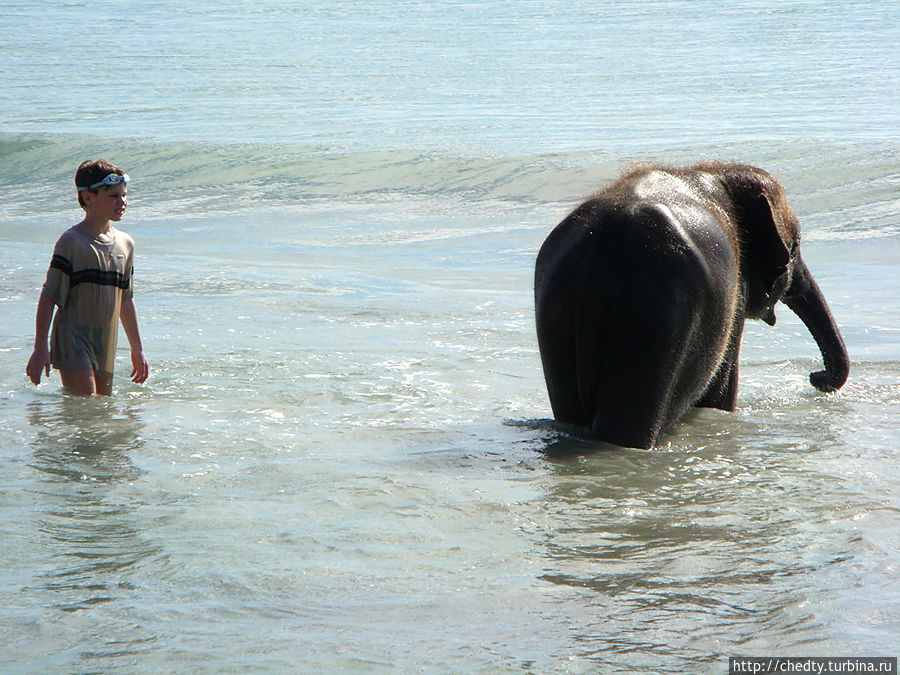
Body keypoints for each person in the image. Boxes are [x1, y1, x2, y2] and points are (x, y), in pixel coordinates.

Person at [26, 160, 149, 396]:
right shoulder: (72, 241)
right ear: (87, 197)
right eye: (113, 196)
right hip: (73, 336)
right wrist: (40, 347)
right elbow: (49, 295)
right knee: (85, 401)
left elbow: (125, 299)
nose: (122, 202)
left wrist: (137, 349)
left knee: (100, 411)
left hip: (105, 340)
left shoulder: (126, 244)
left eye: (124, 195)